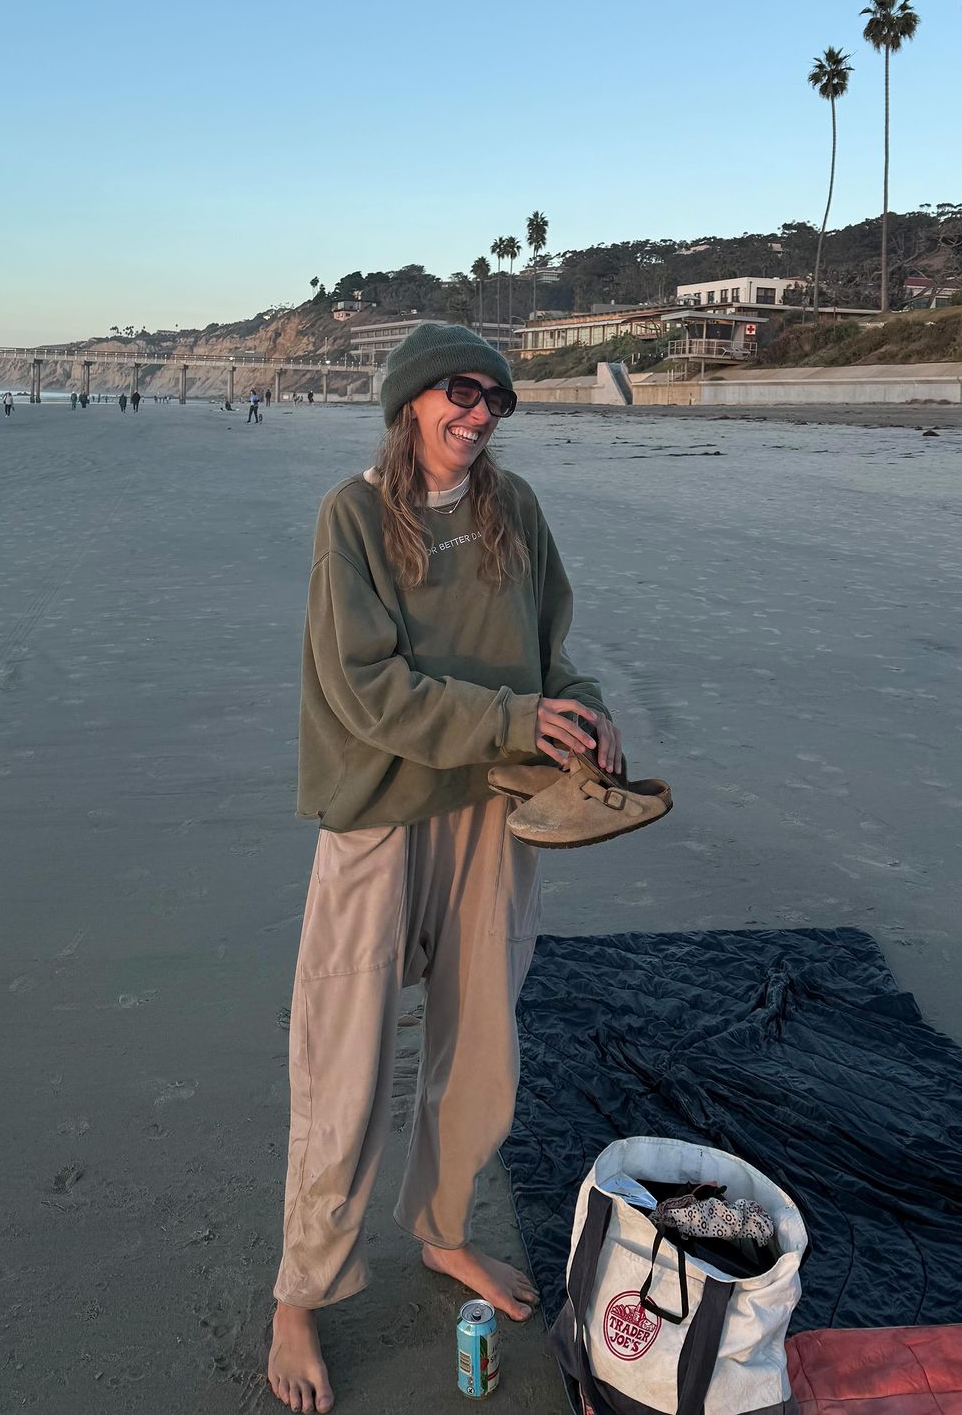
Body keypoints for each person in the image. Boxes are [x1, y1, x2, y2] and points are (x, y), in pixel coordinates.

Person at [267, 322, 622, 1414]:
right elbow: (367, 688)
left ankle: (443, 1230)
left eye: (494, 399)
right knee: (347, 1057)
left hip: (496, 811)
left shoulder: (515, 512)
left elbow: (552, 648)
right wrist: (517, 716)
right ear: (410, 401)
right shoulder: (353, 518)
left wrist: (587, 710)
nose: (477, 414)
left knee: (479, 1049)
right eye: (458, 393)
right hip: (380, 813)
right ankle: (301, 1291)